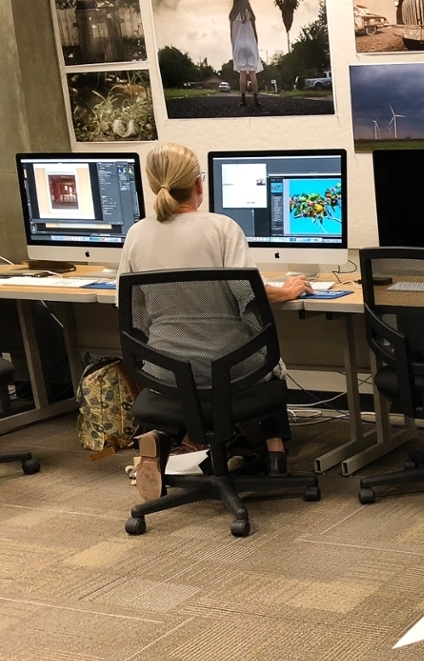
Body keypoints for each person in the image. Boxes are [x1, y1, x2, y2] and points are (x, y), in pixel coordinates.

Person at [117, 143, 312, 499]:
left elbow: (131, 311)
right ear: (198, 185)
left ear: (151, 185)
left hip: (166, 373)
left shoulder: (136, 235)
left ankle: (167, 438)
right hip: (229, 371)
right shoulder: (222, 227)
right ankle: (274, 451)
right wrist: (285, 291)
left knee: (194, 358)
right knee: (271, 359)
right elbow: (248, 294)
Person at [229, 0, 263, 108]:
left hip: (239, 44)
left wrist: (234, 46)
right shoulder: (250, 13)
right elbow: (254, 31)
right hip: (250, 43)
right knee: (252, 73)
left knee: (242, 73)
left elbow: (231, 33)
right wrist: (256, 44)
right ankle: (256, 99)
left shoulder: (232, 14)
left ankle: (243, 100)